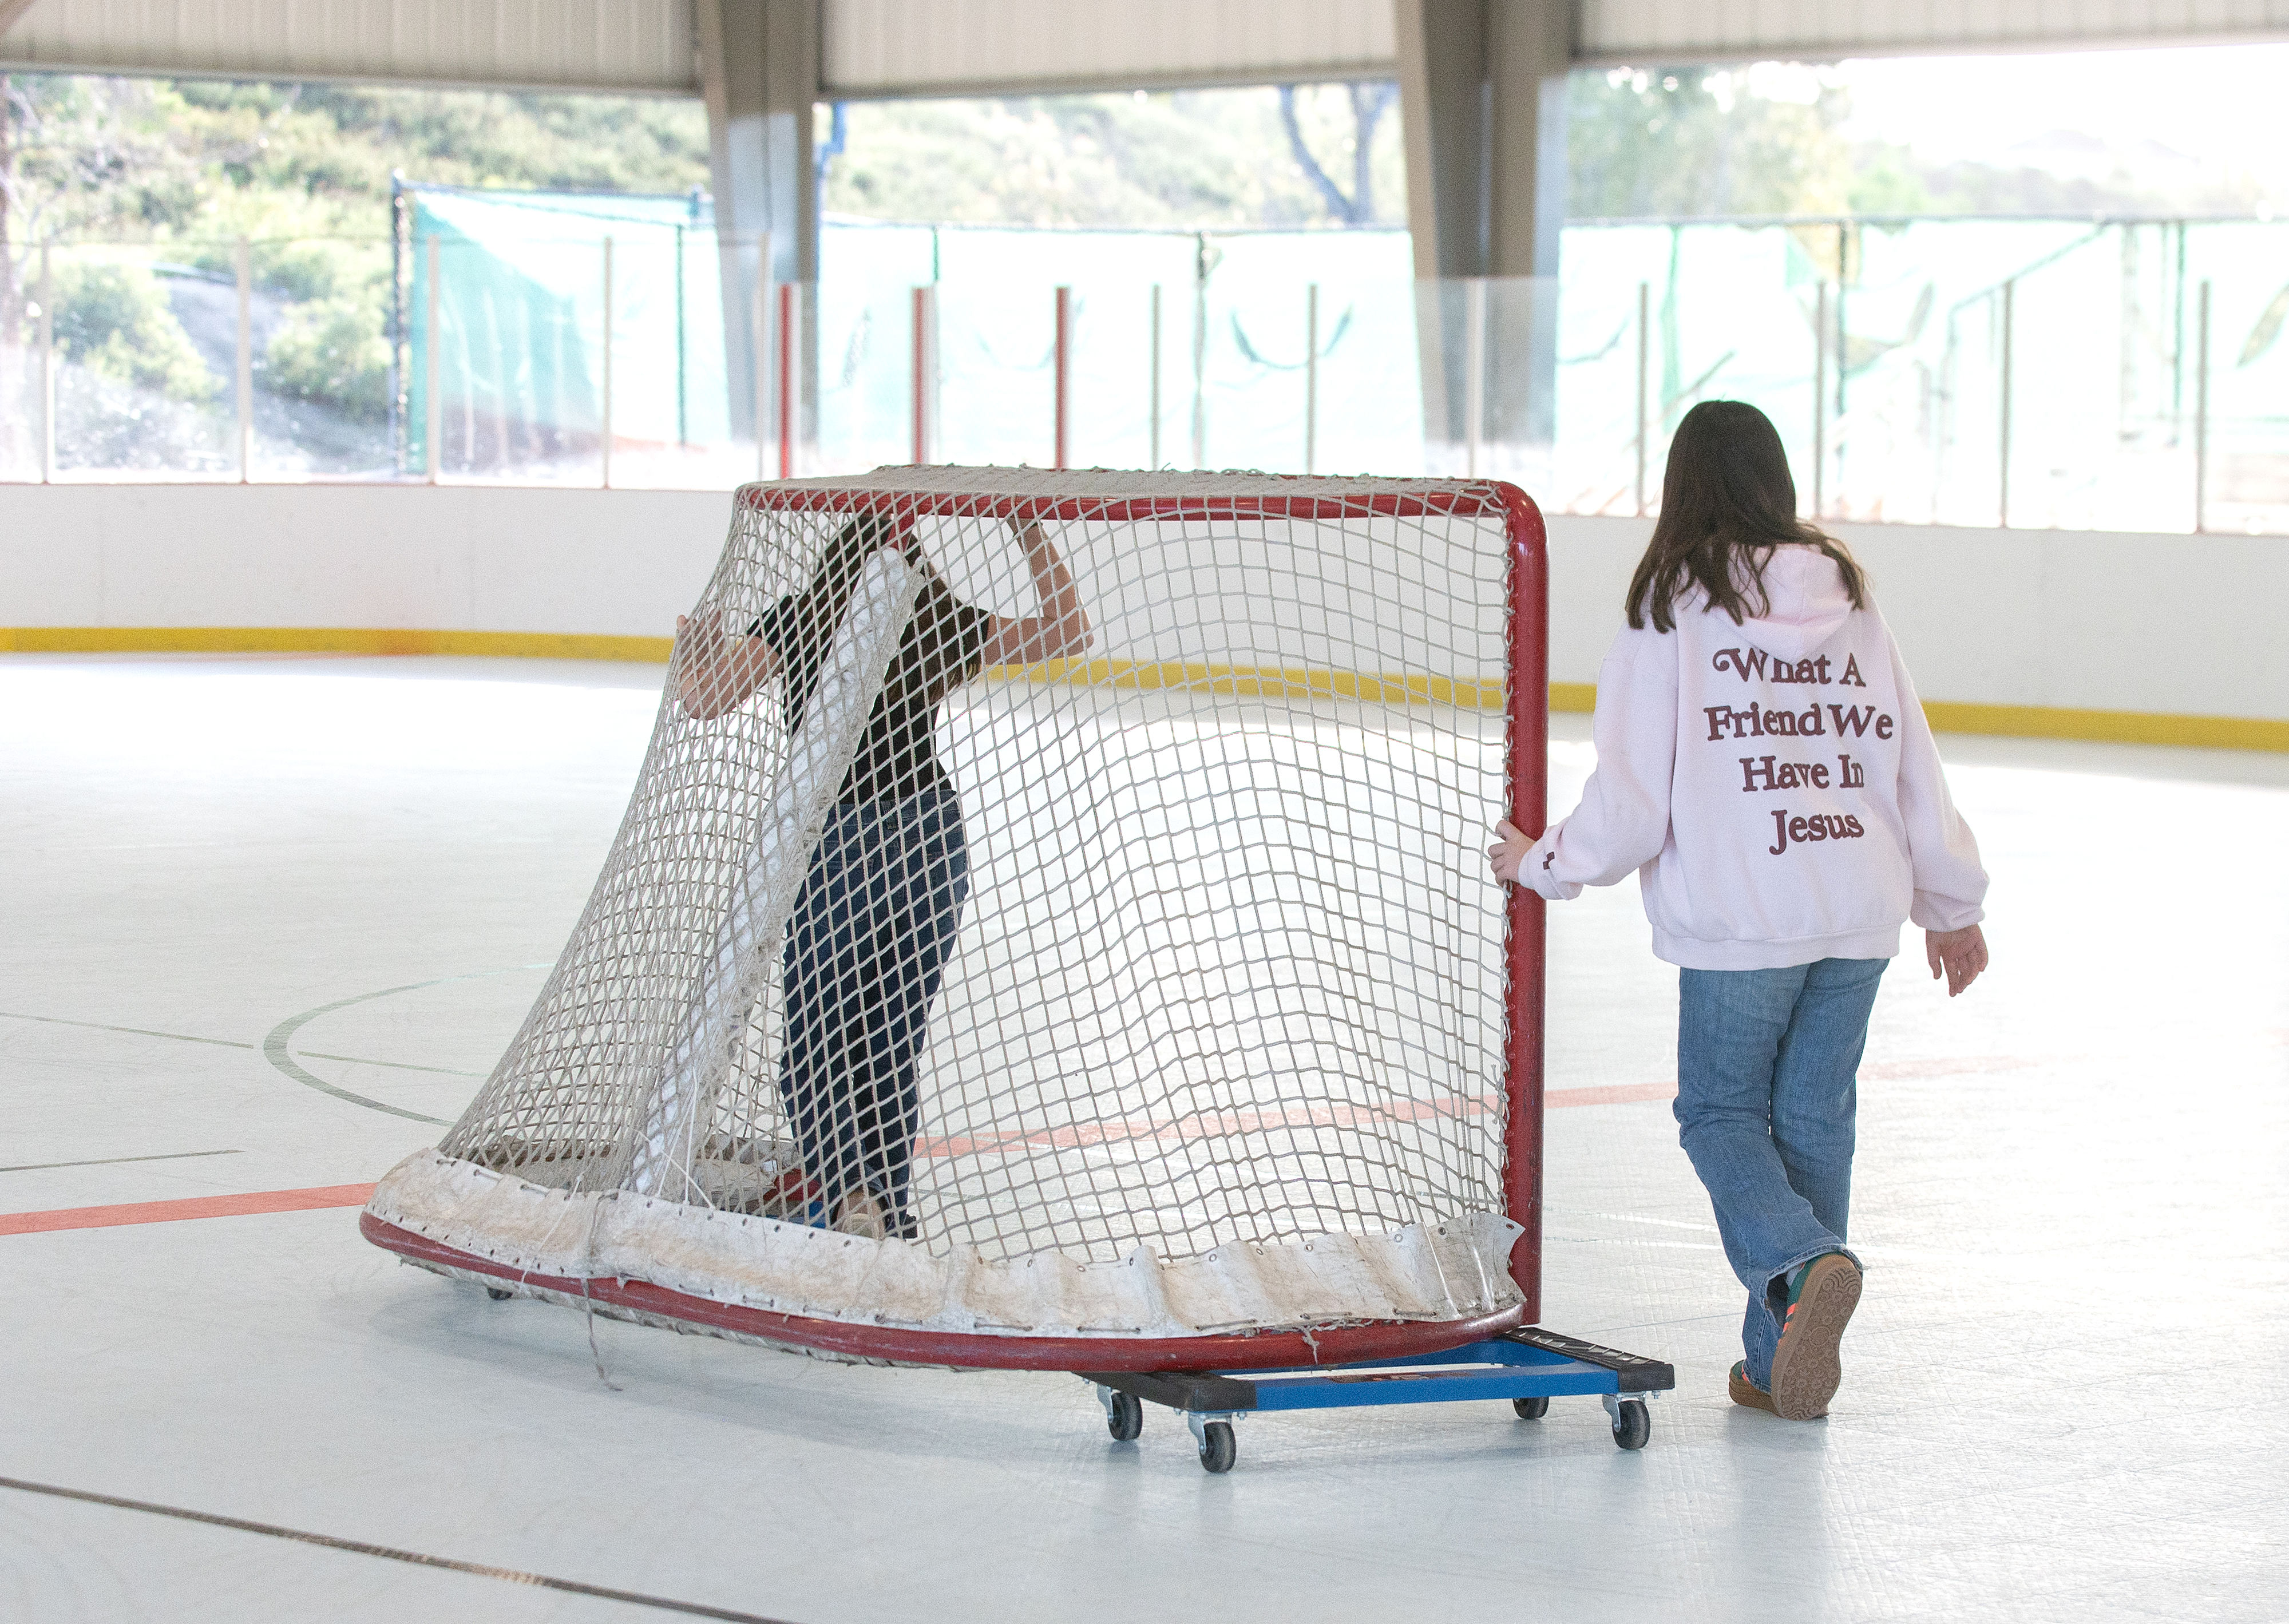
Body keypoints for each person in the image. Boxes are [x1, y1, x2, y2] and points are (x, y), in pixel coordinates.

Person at [1487, 400, 1989, 1421]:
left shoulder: (1674, 601)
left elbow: (1633, 796)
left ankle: (1802, 1264)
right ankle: (1774, 1365)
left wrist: (1546, 861)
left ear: (1683, 486)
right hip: (1858, 905)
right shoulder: (1847, 594)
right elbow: (1910, 755)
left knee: (1719, 1113)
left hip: (1742, 916)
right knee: (1813, 1120)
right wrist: (1950, 900)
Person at [674, 513, 1090, 1239]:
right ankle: (886, 1206)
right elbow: (1068, 632)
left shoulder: (801, 617)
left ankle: (847, 1199)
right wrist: (1024, 525)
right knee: (890, 1042)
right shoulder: (932, 618)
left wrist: (693, 654)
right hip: (932, 837)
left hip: (842, 838)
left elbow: (704, 699)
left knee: (818, 1041)